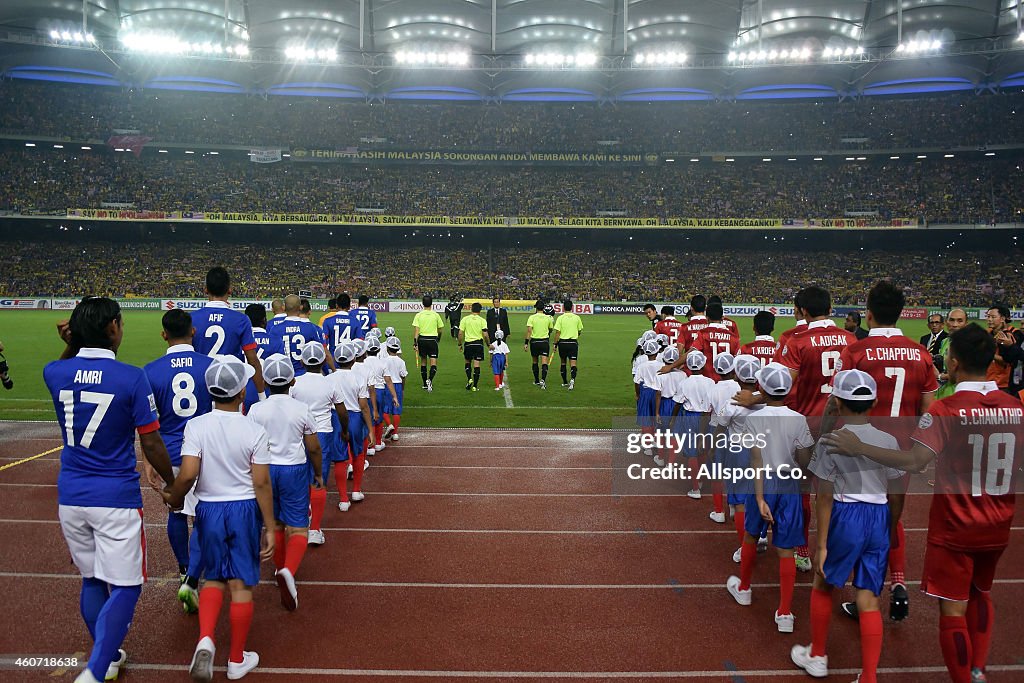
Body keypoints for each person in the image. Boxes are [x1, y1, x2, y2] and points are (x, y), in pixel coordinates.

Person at [820, 324, 1023, 683]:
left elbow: (914, 462)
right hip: (1001, 522)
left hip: (957, 524)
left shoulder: (947, 409)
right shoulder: (1014, 406)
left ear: (955, 362)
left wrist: (859, 447)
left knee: (953, 610)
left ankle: (965, 679)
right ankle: (977, 669)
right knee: (981, 593)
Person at [45, 296, 176, 683]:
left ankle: (109, 654)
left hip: (71, 496)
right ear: (113, 328)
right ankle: (96, 670)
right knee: (127, 585)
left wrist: (73, 341)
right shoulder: (131, 377)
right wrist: (172, 483)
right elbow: (151, 443)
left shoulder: (55, 372)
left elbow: (66, 365)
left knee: (91, 579)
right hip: (115, 497)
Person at [162, 355, 274, 683]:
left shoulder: (196, 426)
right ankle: (237, 659)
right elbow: (261, 482)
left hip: (208, 509)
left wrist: (173, 496)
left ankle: (206, 639)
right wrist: (268, 525)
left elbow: (188, 475)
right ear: (241, 392)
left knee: (213, 578)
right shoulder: (254, 429)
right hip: (243, 510)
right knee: (241, 585)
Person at [831, 280, 937, 622]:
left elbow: (837, 403)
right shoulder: (921, 354)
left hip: (858, 448)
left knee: (856, 515)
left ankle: (863, 591)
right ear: (902, 313)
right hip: (900, 452)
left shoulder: (856, 352)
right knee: (892, 516)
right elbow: (929, 411)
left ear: (869, 313)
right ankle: (898, 581)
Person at [792, 370, 905, 683]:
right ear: (874, 403)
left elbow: (824, 497)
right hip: (879, 515)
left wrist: (822, 544)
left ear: (837, 403)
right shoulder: (889, 440)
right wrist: (891, 526)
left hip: (847, 515)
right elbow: (898, 493)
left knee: (823, 582)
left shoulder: (831, 441)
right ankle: (869, 677)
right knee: (868, 598)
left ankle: (817, 655)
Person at [726, 363, 814, 635]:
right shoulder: (799, 419)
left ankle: (744, 589)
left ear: (761, 388)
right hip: (789, 484)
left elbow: (756, 460)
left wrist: (761, 497)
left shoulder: (755, 419)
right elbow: (805, 458)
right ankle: (785, 612)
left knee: (751, 536)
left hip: (762, 483)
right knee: (786, 548)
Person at [142, 309, 214, 614]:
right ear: (193, 332)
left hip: (170, 451)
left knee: (175, 512)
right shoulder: (210, 366)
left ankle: (184, 568)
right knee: (203, 516)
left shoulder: (150, 371)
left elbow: (148, 421)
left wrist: (148, 458)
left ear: (163, 334)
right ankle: (195, 577)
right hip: (206, 451)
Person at [246, 353, 322, 611]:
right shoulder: (301, 409)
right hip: (294, 469)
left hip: (266, 469)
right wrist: (319, 474)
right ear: (292, 381)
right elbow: (313, 448)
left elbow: (247, 445)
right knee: (299, 528)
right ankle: (288, 569)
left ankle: (279, 568)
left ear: (265, 381)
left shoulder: (256, 410)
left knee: (275, 524)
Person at [289, 343, 346, 545]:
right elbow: (341, 411)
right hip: (322, 433)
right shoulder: (330, 382)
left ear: (302, 361)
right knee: (318, 480)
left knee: (300, 477)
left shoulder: (294, 383)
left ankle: (302, 519)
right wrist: (345, 430)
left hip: (297, 432)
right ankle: (314, 530)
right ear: (322, 360)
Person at [189, 267, 264, 395]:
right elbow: (252, 358)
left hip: (201, 385)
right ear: (230, 290)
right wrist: (261, 394)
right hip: (231, 386)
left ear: (205, 290)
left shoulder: (191, 318)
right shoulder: (241, 320)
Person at [329, 342, 373, 510]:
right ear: (353, 359)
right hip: (355, 417)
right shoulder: (358, 378)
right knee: (358, 455)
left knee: (340, 459)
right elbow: (363, 405)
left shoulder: (329, 378)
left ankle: (343, 499)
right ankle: (356, 490)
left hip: (335, 417)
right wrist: (370, 429)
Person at [242, 304, 284, 414]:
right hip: (267, 393)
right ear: (264, 320)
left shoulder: (238, 342)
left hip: (241, 393)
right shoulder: (276, 341)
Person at [275, 294, 332, 375]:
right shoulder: (310, 328)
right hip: (305, 375)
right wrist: (326, 373)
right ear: (300, 307)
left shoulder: (275, 329)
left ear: (283, 308)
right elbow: (321, 353)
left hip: (284, 376)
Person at [689, 301, 740, 381]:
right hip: (726, 381)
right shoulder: (734, 337)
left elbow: (692, 352)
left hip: (708, 380)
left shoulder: (702, 333)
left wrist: (671, 366)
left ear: (707, 318)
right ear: (722, 317)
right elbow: (738, 361)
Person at [985, 305, 1024, 393]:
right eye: (988, 316)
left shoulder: (1014, 334)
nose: (989, 319)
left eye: (993, 317)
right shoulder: (987, 333)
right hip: (987, 381)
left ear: (1002, 319)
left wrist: (987, 353)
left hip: (1004, 384)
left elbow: (1008, 360)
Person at [413, 295, 445, 391]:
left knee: (423, 361)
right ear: (432, 303)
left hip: (422, 340)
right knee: (433, 362)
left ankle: (424, 384)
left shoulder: (419, 315)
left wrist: (415, 343)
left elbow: (417, 330)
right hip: (432, 340)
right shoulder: (435, 315)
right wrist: (438, 339)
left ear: (422, 303)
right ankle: (430, 380)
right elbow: (440, 329)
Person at [936, 308, 969, 399]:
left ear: (966, 324)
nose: (955, 325)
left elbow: (965, 374)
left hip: (960, 398)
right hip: (942, 395)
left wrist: (940, 376)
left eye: (959, 321)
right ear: (946, 322)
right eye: (952, 320)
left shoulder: (970, 344)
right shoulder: (945, 341)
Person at [552, 299, 584, 390]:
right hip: (573, 343)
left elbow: (558, 332)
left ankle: (565, 381)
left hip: (563, 343)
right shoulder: (577, 317)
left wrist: (555, 344)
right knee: (573, 363)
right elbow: (579, 330)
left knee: (563, 362)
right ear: (572, 307)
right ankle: (572, 380)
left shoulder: (560, 318)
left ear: (563, 307)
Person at [459, 302, 490, 392]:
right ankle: (475, 386)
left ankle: (469, 378)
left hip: (468, 344)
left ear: (471, 309)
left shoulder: (465, 319)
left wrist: (460, 344)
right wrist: (488, 344)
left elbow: (460, 333)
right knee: (477, 364)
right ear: (480, 310)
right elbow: (485, 334)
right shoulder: (482, 320)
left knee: (467, 362)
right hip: (478, 344)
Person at [382, 336, 407, 441]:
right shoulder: (401, 361)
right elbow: (403, 376)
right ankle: (395, 433)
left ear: (387, 348)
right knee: (397, 409)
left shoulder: (384, 361)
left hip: (387, 385)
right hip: (397, 385)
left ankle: (389, 424)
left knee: (384, 408)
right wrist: (402, 388)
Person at [525, 300, 555, 389]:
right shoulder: (548, 318)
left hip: (534, 342)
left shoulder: (532, 317)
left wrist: (526, 342)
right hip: (544, 341)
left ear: (536, 308)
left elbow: (529, 331)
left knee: (535, 361)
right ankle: (543, 380)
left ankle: (536, 380)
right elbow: (550, 329)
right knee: (544, 361)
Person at [322, 293, 354, 360]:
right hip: (349, 361)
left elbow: (324, 344)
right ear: (349, 306)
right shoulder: (355, 322)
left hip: (333, 359)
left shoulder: (328, 321)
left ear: (336, 305)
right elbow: (358, 344)